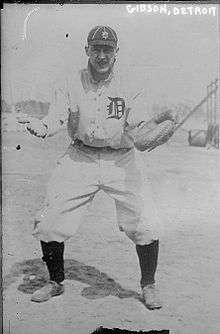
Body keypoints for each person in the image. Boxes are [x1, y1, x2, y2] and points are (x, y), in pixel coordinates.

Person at [18, 25, 175, 309]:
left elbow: (139, 129)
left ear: (116, 53)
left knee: (146, 221)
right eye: (96, 49)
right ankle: (55, 281)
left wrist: (154, 136)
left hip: (122, 158)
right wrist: (41, 127)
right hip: (82, 156)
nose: (101, 55)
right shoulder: (71, 80)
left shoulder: (132, 83)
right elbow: (56, 116)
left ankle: (148, 285)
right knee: (50, 218)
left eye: (108, 50)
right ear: (86, 50)